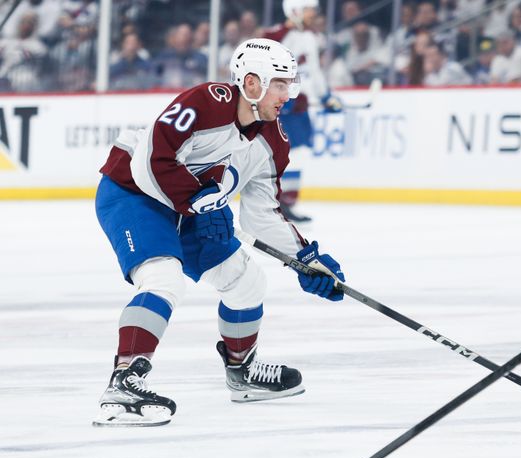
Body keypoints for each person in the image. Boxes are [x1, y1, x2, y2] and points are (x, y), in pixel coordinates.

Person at [93, 38, 346, 427]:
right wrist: (195, 202)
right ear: (251, 83)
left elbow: (263, 216)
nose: (287, 94)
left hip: (191, 205)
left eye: (290, 84)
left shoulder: (272, 142)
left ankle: (242, 372)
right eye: (279, 84)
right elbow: (152, 161)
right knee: (163, 278)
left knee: (247, 282)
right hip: (133, 193)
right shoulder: (205, 102)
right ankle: (125, 380)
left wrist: (306, 259)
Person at [262, 0, 343, 223]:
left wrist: (326, 96)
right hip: (280, 107)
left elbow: (313, 73)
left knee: (298, 154)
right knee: (279, 155)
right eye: (309, 9)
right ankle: (275, 204)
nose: (314, 14)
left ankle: (286, 204)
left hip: (298, 107)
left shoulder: (309, 37)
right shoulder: (276, 35)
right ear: (295, 10)